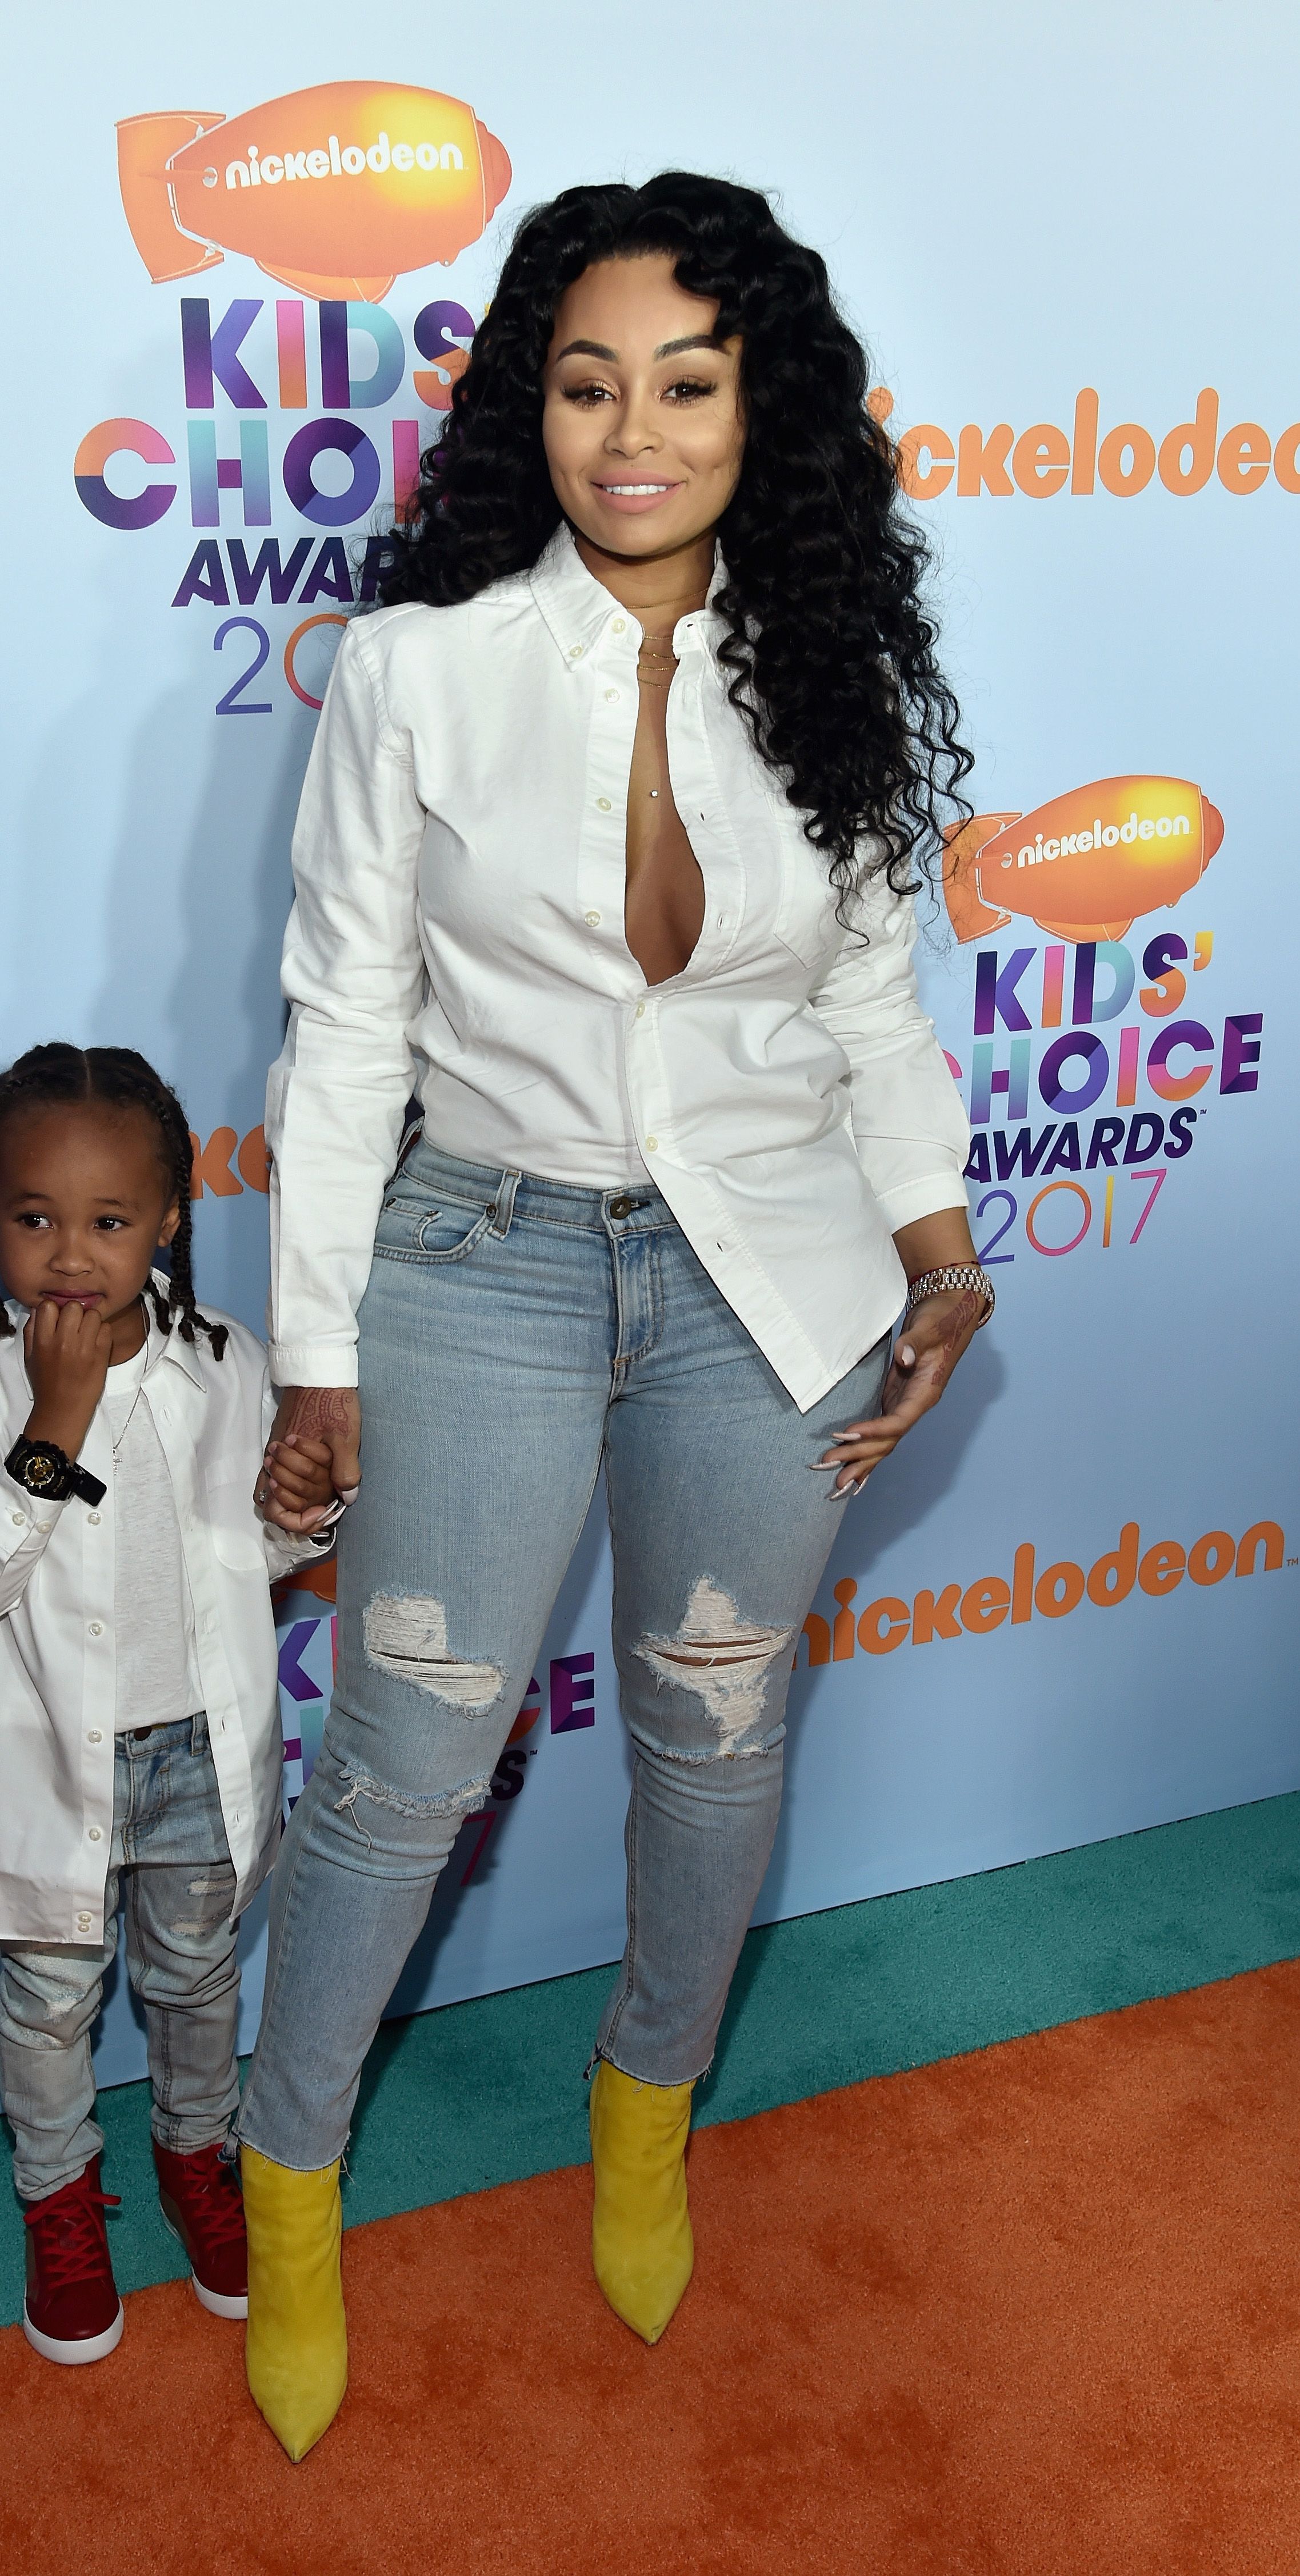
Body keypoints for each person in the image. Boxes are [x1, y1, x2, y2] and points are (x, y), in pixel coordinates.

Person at [242, 171, 990, 2462]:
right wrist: (315, 1353)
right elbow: (341, 1029)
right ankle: (290, 2180)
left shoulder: (830, 672)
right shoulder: (419, 671)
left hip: (769, 1279)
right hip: (477, 1255)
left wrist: (940, 1249)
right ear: (528, 411)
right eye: (585, 385)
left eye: (684, 382)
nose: (632, 433)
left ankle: (644, 2105)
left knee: (715, 1724)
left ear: (762, 409)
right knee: (401, 1760)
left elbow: (865, 1009)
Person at [0, 1044, 335, 2364]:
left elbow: (248, 1556)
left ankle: (199, 2151)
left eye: (108, 1220)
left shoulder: (225, 1359)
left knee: (196, 1984)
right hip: (45, 1766)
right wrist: (55, 1421)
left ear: (170, 1222)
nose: (70, 1256)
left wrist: (305, 1509)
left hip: (199, 1750)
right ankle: (57, 2192)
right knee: (46, 2004)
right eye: (34, 1218)